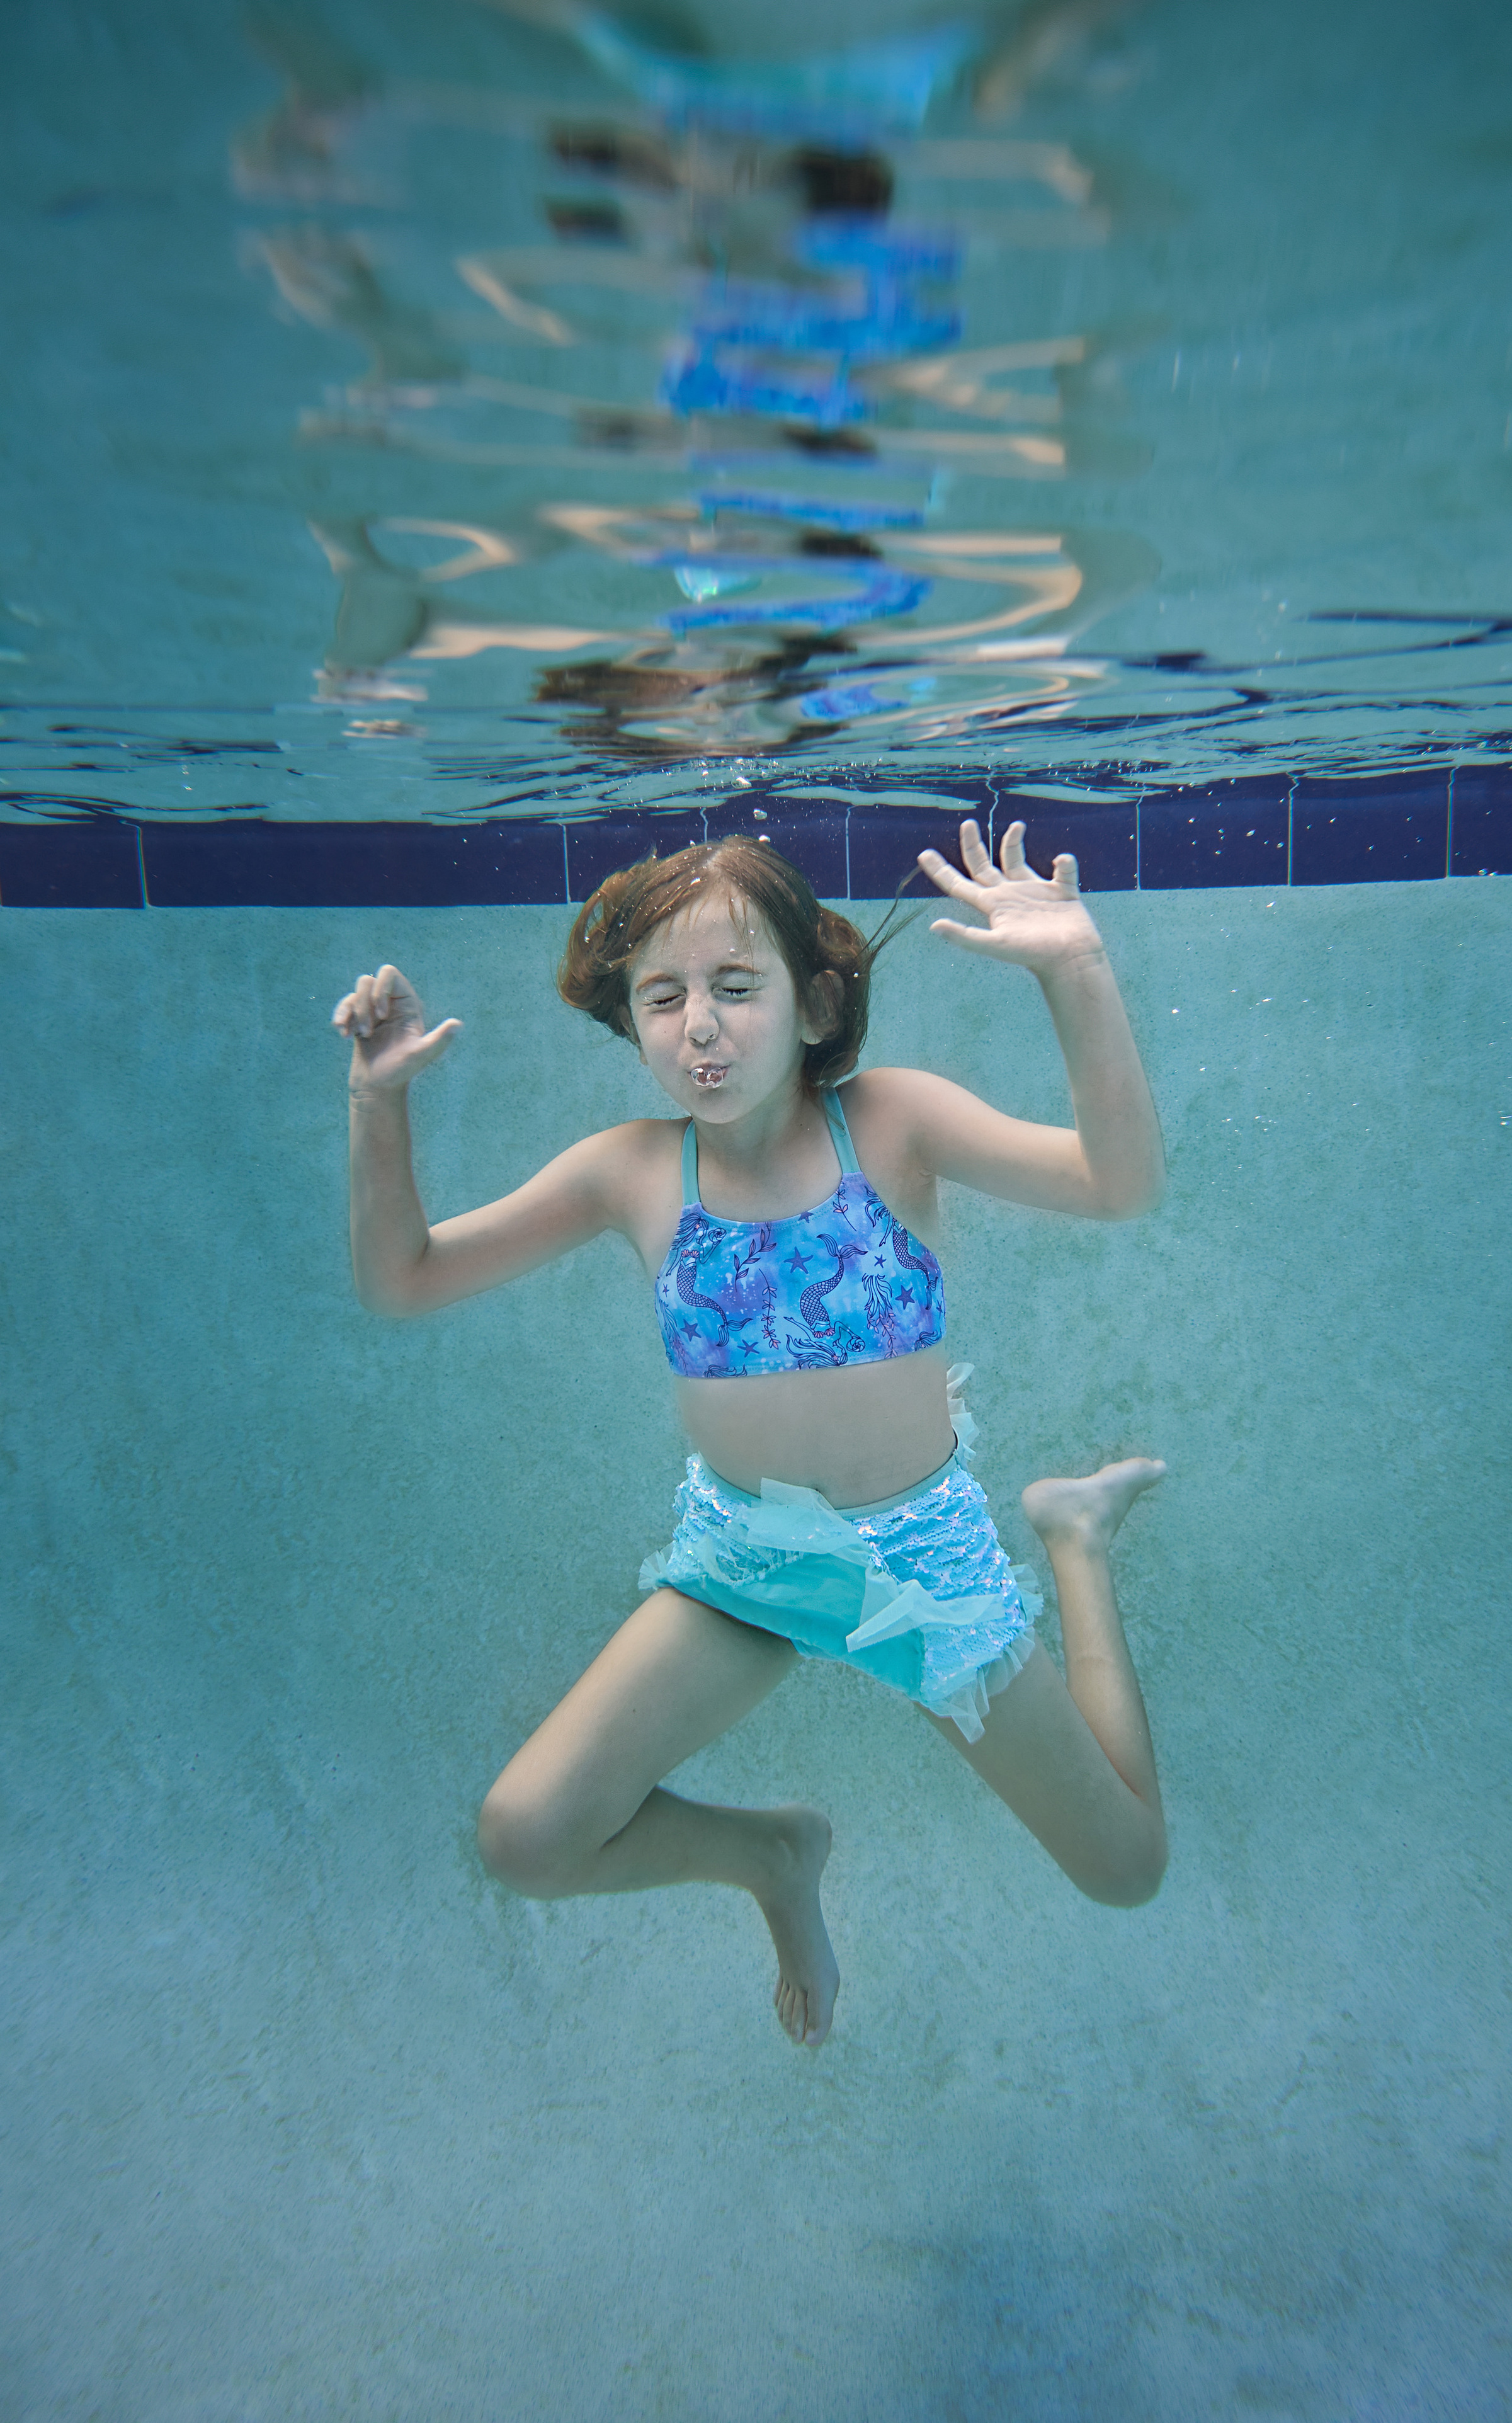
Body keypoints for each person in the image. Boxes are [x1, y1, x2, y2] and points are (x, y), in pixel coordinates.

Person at [333, 819, 1168, 2048]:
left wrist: (1074, 971)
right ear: (629, 1019)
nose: (700, 1027)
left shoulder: (891, 1123)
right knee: (528, 1837)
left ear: (814, 1001)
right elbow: (403, 1279)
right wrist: (377, 1102)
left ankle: (1074, 1539)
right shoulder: (628, 1172)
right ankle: (770, 1856)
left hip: (922, 1572)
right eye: (662, 997)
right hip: (746, 1569)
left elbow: (1117, 1183)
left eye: (736, 986)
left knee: (1126, 1865)